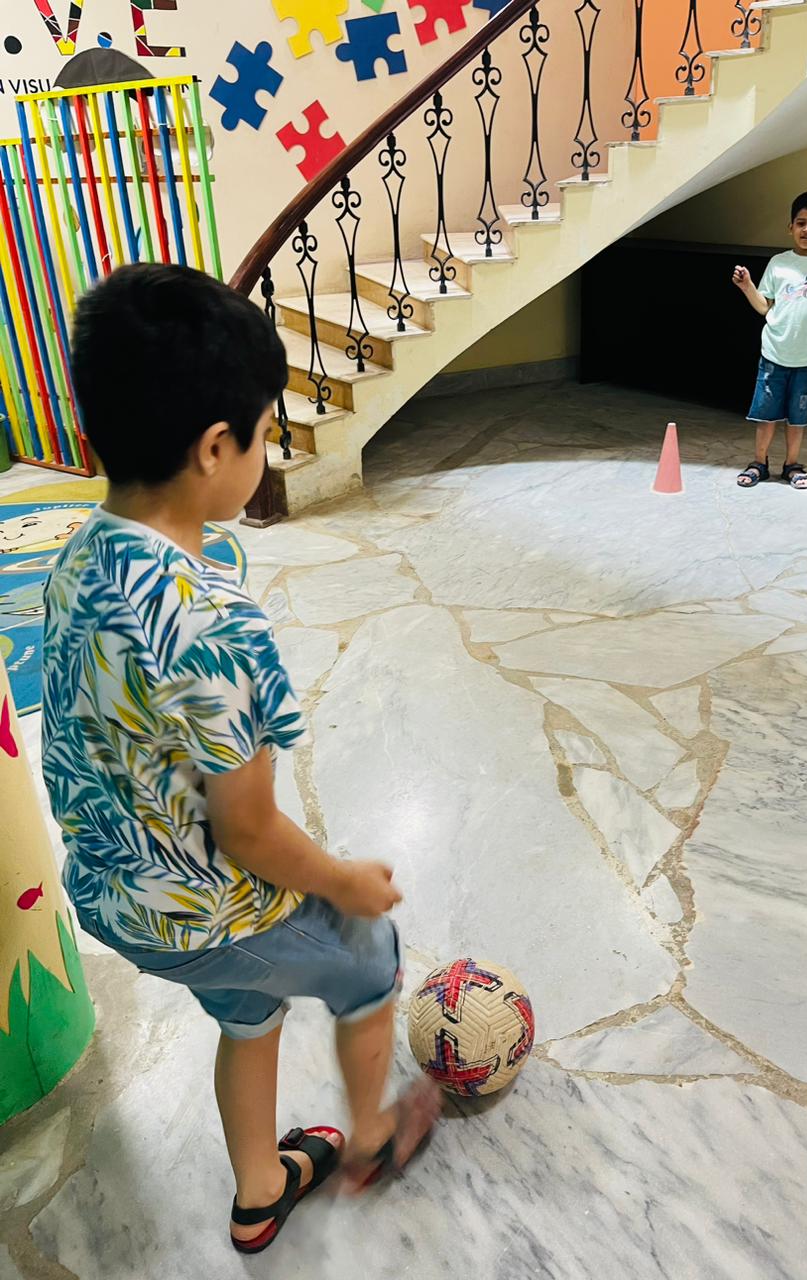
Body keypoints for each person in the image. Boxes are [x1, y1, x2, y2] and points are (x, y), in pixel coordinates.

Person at [42, 264, 439, 1254]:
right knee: (369, 955)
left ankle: (261, 1189)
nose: (266, 450)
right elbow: (251, 831)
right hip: (205, 909)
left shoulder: (78, 556)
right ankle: (372, 1138)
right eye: (266, 432)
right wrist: (344, 882)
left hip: (113, 893)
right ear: (216, 448)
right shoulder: (217, 621)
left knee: (248, 1008)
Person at [732, 190, 807, 489]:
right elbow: (765, 307)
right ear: (790, 227)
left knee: (798, 416)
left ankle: (792, 465)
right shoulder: (778, 263)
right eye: (801, 223)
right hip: (774, 353)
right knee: (767, 415)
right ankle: (759, 463)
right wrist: (747, 287)